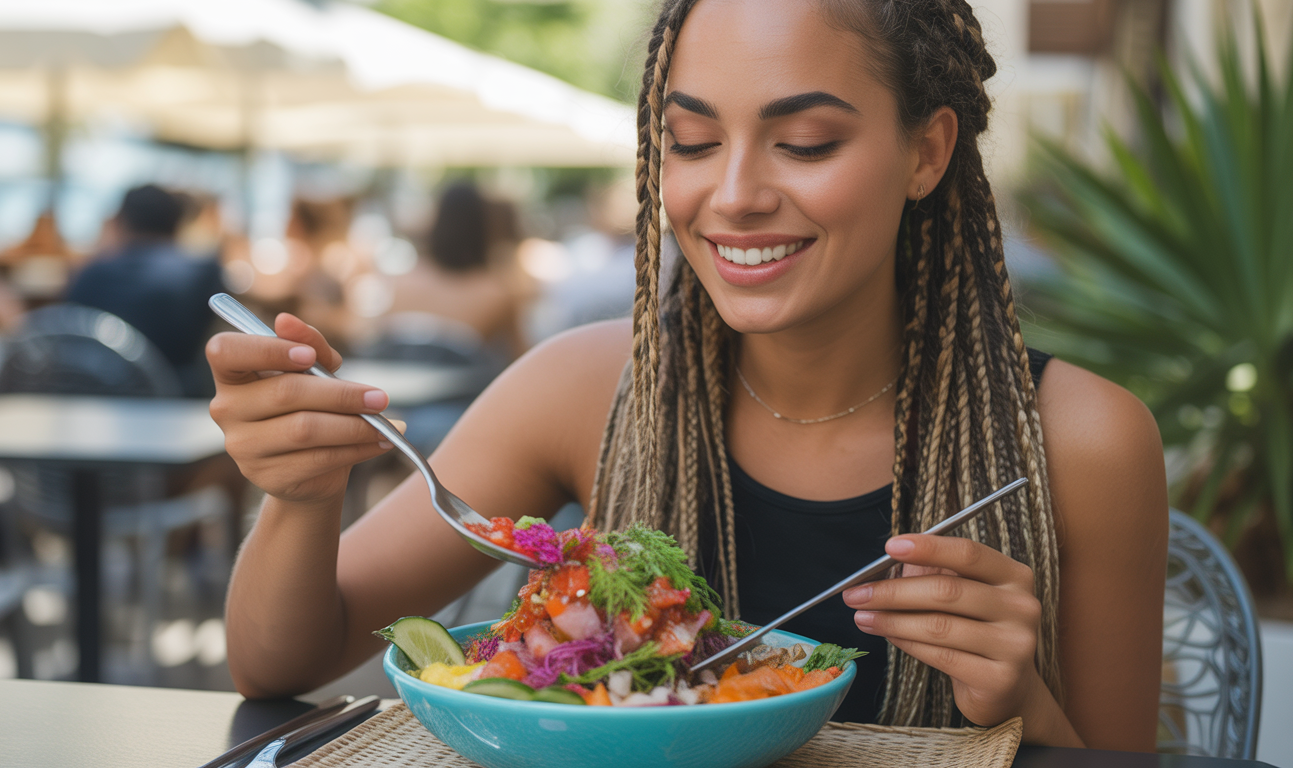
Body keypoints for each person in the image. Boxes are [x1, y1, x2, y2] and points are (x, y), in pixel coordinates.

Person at [205, 0, 1167, 751]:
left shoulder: (1084, 442)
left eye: (806, 143)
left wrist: (1023, 703)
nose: (735, 195)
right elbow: (281, 659)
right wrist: (301, 495)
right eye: (693, 142)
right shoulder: (581, 392)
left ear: (927, 152)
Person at [67, 184, 224, 396]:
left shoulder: (92, 273)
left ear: (121, 223)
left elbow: (70, 331)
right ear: (177, 223)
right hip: (176, 398)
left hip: (97, 392)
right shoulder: (203, 272)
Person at [389, 182, 531, 359]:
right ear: (483, 226)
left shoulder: (401, 282)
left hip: (393, 385)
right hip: (467, 387)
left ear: (437, 220)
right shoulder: (497, 294)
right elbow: (521, 357)